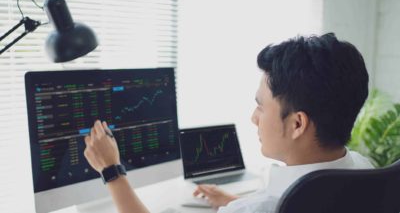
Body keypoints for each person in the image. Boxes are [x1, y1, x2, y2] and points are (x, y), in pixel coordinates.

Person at [83, 33, 373, 213]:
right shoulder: (367, 170)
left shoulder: (261, 208)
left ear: (298, 124)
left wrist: (112, 171)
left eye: (261, 106)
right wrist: (234, 202)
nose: (253, 118)